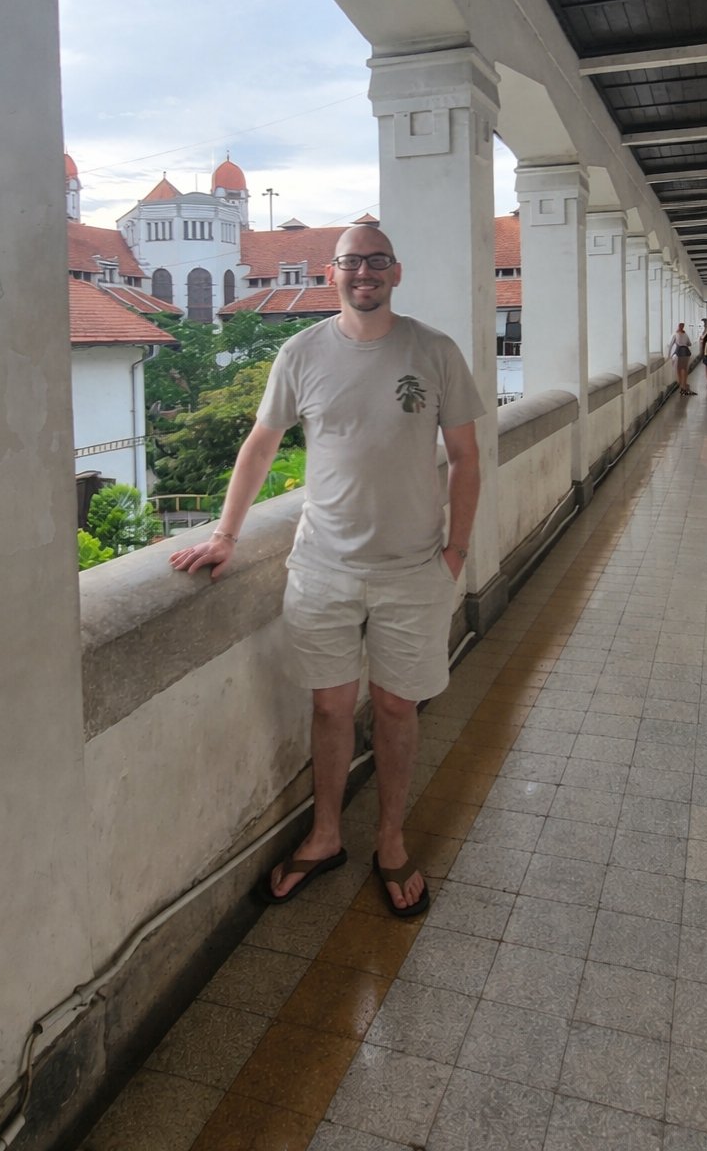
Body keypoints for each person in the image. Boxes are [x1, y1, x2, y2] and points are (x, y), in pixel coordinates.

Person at [170, 224, 484, 919]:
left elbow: (465, 456)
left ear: (395, 273)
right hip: (322, 565)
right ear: (331, 273)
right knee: (330, 706)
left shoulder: (433, 351)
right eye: (351, 262)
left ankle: (392, 841)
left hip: (411, 568)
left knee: (399, 707)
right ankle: (325, 835)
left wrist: (456, 551)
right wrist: (226, 533)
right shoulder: (301, 351)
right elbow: (260, 445)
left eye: (376, 261)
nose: (363, 272)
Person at [668, 322, 695, 395]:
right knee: (684, 369)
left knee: (679, 369)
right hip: (686, 351)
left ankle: (682, 385)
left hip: (679, 352)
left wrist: (669, 355)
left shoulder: (675, 334)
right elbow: (689, 343)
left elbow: (670, 345)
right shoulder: (685, 334)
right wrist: (684, 343)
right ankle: (684, 385)